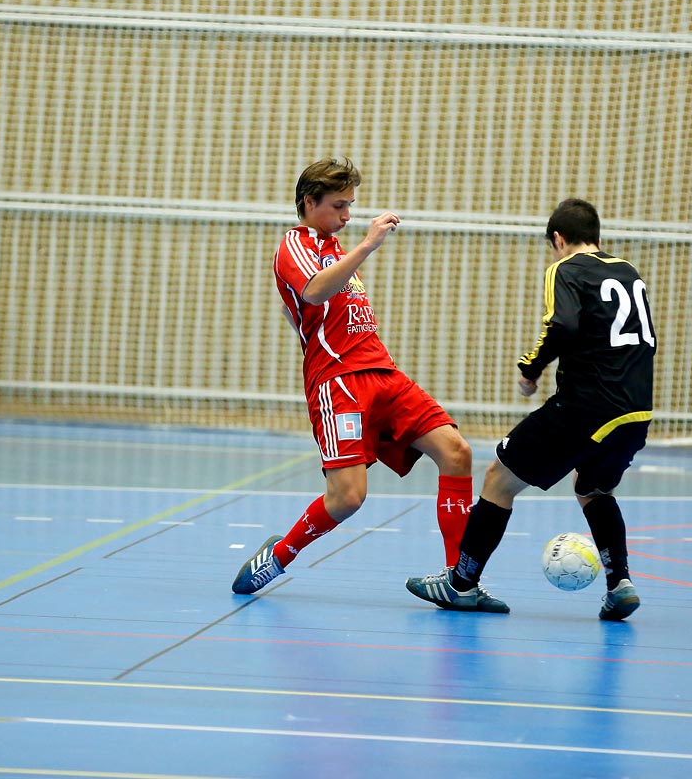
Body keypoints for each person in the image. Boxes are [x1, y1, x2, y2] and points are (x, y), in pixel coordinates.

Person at [231, 157, 504, 611]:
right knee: (348, 498)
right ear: (308, 202)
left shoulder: (336, 249)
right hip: (338, 382)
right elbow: (314, 291)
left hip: (382, 371)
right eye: (338, 206)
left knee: (457, 452)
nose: (347, 216)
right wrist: (368, 244)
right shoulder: (294, 244)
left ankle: (460, 584)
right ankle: (279, 556)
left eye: (351, 206)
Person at [405, 198, 655, 620]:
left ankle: (460, 584)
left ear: (558, 239)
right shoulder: (628, 271)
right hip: (635, 413)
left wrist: (530, 369)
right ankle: (620, 584)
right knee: (592, 489)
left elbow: (564, 324)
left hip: (586, 406)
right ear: (598, 236)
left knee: (498, 478)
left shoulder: (566, 268)